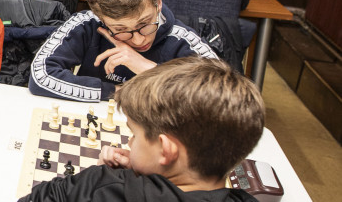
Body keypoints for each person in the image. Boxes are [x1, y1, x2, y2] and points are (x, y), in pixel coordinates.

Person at [18, 56, 264, 202]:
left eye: (134, 135)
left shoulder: (106, 187)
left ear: (166, 151)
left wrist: (102, 176)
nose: (129, 143)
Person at [28, 0, 218, 102]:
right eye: (120, 30)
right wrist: (116, 92)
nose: (138, 40)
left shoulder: (183, 39)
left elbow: (223, 99)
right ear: (100, 19)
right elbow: (40, 76)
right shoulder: (87, 23)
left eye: (144, 24)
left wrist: (150, 71)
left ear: (158, 2)